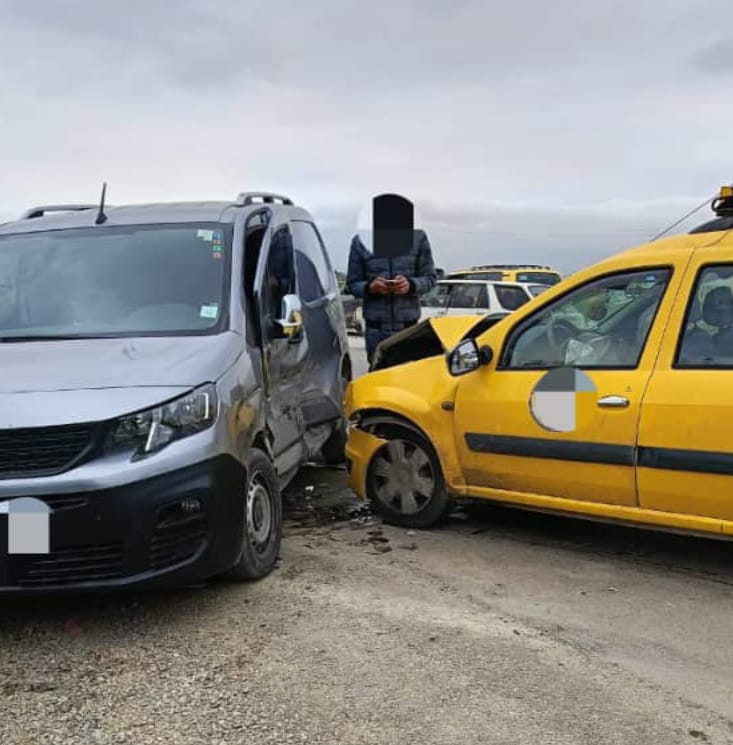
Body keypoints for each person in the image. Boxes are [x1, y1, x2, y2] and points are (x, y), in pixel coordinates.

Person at [345, 227, 437, 367]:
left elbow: (430, 278)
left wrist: (411, 285)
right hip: (376, 331)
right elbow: (352, 284)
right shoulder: (360, 241)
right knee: (379, 376)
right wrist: (370, 287)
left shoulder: (418, 237)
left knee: (408, 376)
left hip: (408, 330)